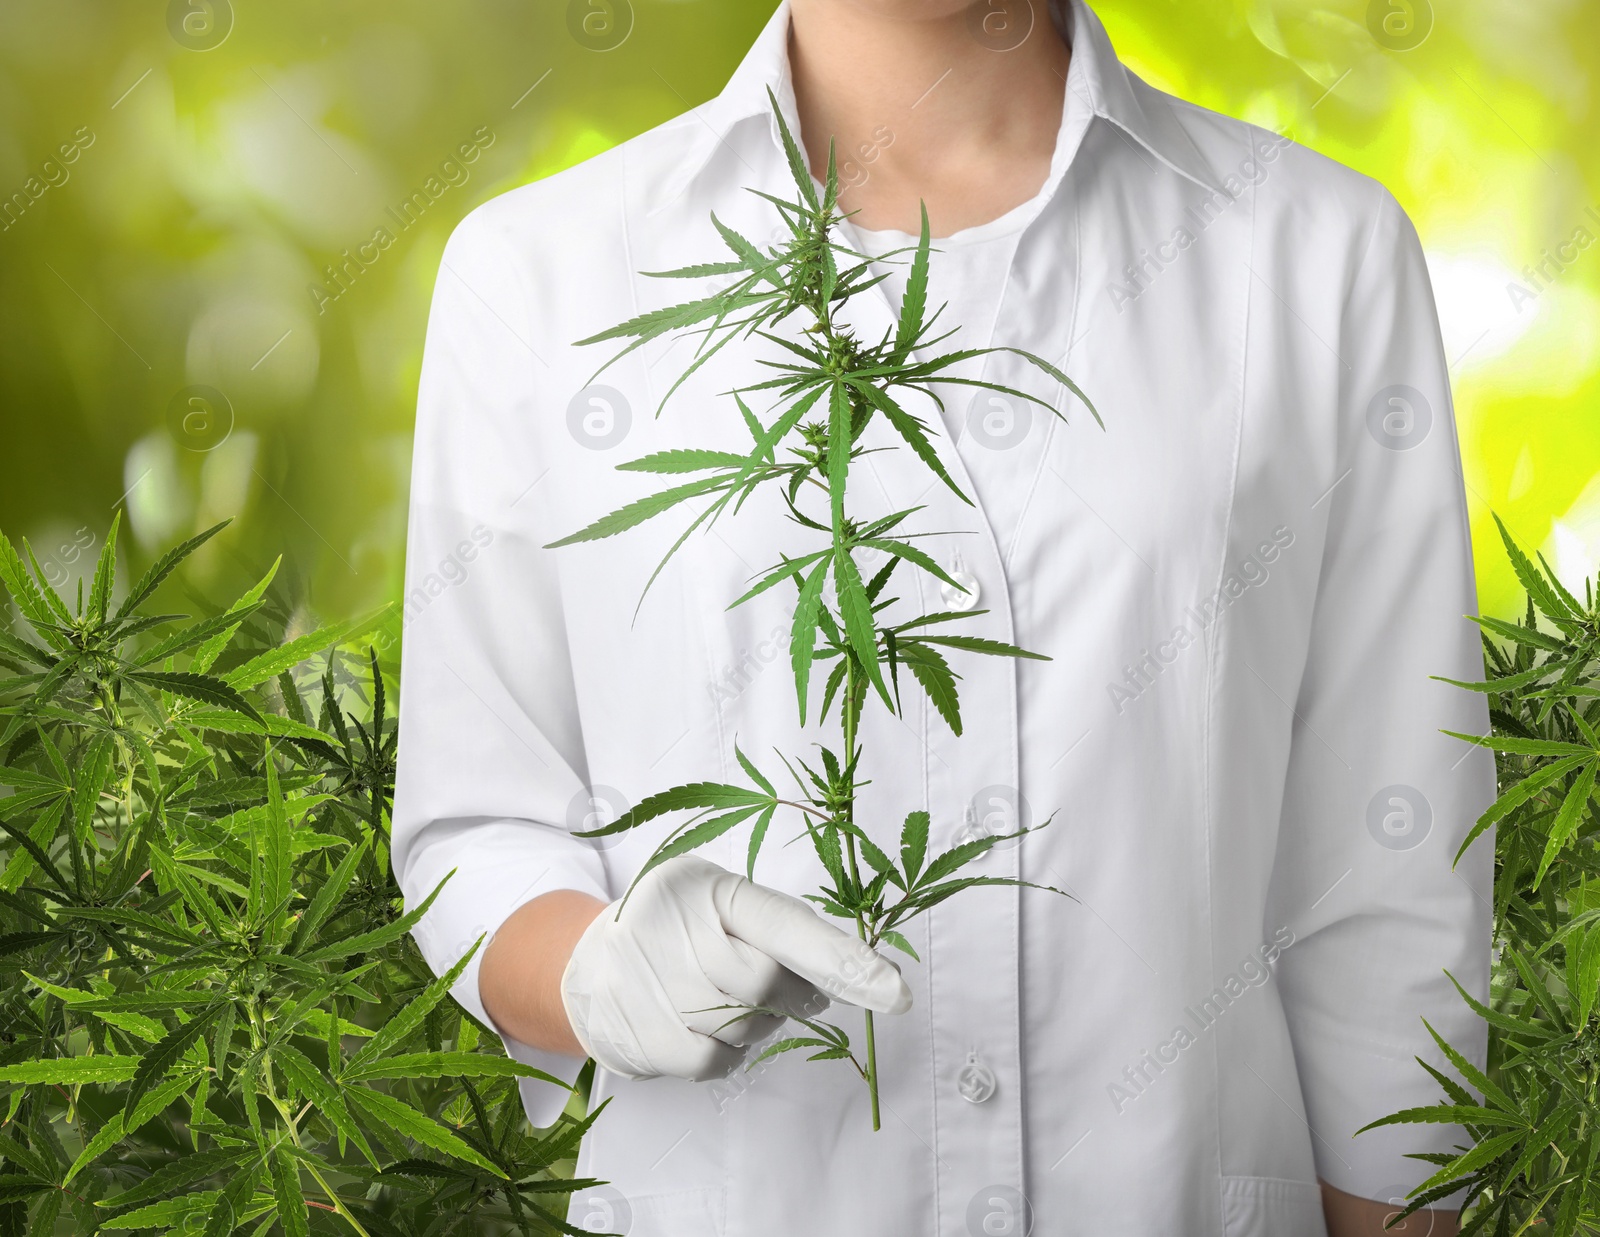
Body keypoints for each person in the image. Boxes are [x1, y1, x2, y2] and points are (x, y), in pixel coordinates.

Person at [392, 1, 1494, 1233]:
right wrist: (598, 974)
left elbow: (1389, 872)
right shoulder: (542, 275)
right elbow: (477, 822)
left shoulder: (1312, 254)